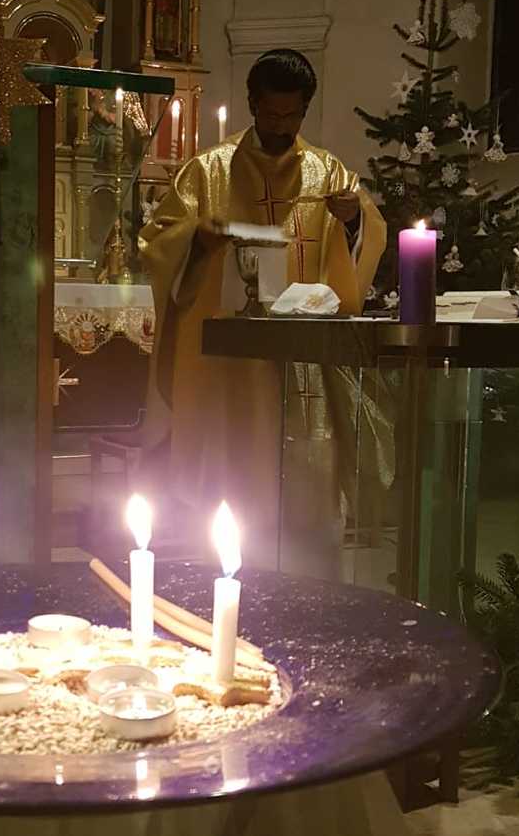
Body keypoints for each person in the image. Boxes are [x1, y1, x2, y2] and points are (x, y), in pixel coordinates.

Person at [139, 48, 387, 565]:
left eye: (292, 115)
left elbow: (365, 243)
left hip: (303, 364)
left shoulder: (328, 172)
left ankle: (309, 585)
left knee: (308, 487)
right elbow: (156, 244)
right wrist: (198, 239)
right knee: (233, 492)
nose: (280, 125)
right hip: (230, 370)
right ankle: (229, 582)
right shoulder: (208, 171)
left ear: (305, 109)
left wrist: (352, 220)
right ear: (252, 104)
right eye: (271, 113)